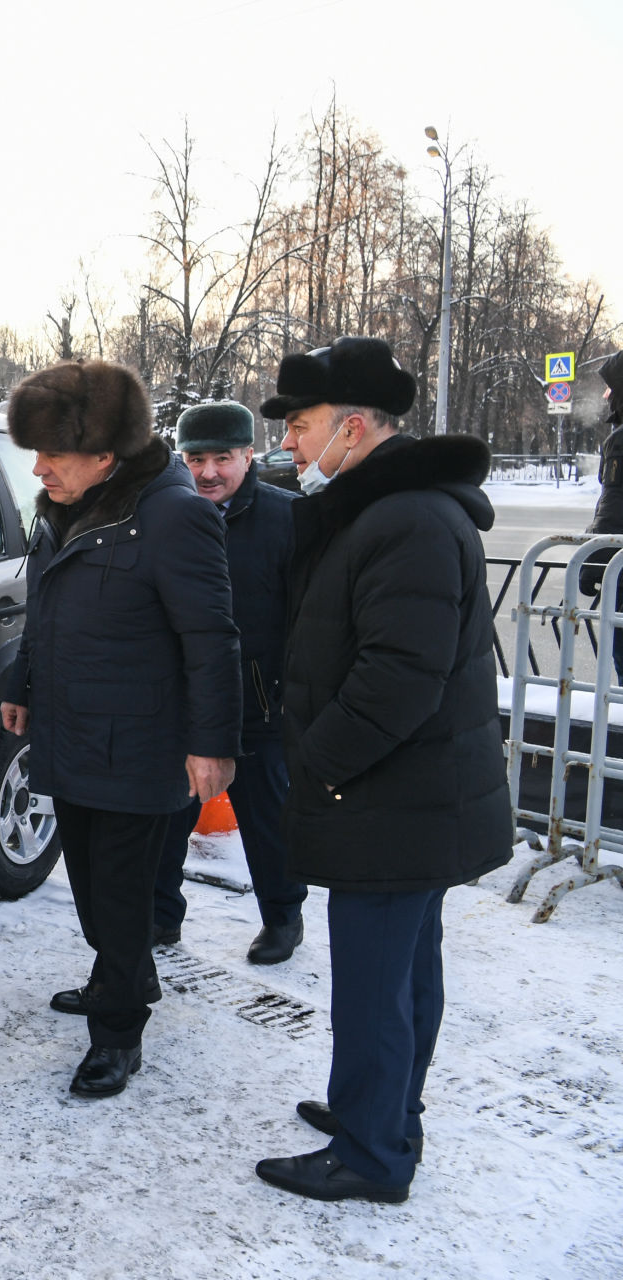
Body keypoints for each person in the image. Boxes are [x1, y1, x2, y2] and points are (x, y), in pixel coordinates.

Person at [251, 337, 512, 1204]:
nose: (288, 441)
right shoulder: (380, 509)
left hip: (390, 797)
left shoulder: (405, 521)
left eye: (301, 424)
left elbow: (399, 679)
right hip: (404, 798)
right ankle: (383, 1111)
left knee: (374, 982)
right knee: (401, 972)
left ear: (354, 428)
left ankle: (371, 1153)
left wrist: (315, 763)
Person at [2, 360, 241, 1099]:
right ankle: (121, 974)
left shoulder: (173, 515)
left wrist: (211, 744)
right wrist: (21, 680)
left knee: (122, 894)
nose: (39, 470)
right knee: (89, 885)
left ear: (105, 456)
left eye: (53, 455)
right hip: (72, 729)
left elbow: (212, 639)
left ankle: (117, 1031)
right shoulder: (62, 507)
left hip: (140, 742)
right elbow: (43, 607)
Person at [152, 402, 309, 964]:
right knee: (166, 819)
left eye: (224, 457)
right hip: (184, 702)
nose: (210, 472)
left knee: (268, 822)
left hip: (260, 704)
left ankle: (283, 917)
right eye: (196, 459)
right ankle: (160, 917)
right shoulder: (165, 515)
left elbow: (310, 617)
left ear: (249, 455)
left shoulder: (288, 519)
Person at [579, 352, 623, 681]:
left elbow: (615, 508)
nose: (606, 396)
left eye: (611, 388)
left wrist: (592, 561)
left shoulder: (620, 441)